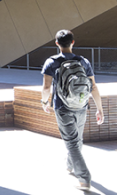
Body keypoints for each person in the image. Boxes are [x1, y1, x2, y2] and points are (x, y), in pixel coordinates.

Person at [42, 29, 103, 191]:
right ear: (73, 42)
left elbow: (46, 87)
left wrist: (44, 102)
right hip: (82, 105)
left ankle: (84, 178)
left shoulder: (52, 62)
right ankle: (70, 165)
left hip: (62, 107)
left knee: (72, 142)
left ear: (57, 44)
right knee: (77, 140)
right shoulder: (83, 61)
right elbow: (93, 87)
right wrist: (99, 109)